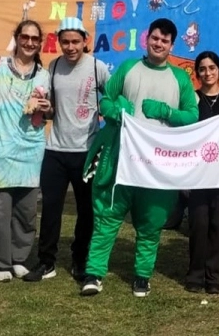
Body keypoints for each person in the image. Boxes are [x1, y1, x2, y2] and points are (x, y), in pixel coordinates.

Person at [79, 18, 198, 297]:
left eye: (165, 40)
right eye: (155, 38)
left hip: (157, 163)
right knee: (108, 217)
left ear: (172, 44)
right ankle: (94, 273)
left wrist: (167, 113)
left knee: (151, 220)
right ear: (148, 39)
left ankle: (143, 276)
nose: (159, 44)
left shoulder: (180, 78)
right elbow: (106, 100)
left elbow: (192, 114)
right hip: (121, 157)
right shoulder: (129, 68)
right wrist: (115, 110)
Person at [24, 17, 110, 282]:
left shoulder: (98, 68)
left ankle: (80, 259)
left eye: (75, 41)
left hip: (87, 151)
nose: (70, 47)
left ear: (85, 41)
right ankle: (46, 261)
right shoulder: (54, 66)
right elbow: (50, 106)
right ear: (59, 42)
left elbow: (113, 98)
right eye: (65, 42)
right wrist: (42, 108)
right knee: (51, 208)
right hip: (56, 149)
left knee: (86, 210)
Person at [0, 20, 52, 282]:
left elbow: (50, 112)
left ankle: (19, 258)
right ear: (17, 37)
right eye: (25, 37)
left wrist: (46, 108)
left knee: (26, 210)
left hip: (31, 151)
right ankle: (0, 262)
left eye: (35, 38)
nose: (30, 42)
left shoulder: (44, 75)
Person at [185, 51, 219, 295]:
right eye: (203, 69)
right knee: (198, 221)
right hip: (198, 170)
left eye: (212, 68)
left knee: (218, 222)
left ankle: (213, 276)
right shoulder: (192, 100)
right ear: (197, 73)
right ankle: (195, 274)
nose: (207, 73)